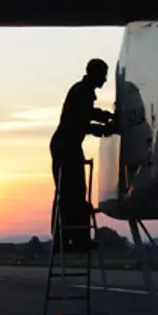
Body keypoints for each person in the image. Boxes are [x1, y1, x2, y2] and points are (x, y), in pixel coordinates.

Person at [50, 58, 117, 253]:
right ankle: (71, 239)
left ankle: (71, 239)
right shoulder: (81, 93)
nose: (105, 80)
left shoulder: (83, 93)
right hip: (65, 147)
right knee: (71, 193)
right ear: (94, 74)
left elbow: (89, 115)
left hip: (69, 146)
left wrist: (108, 117)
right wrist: (107, 128)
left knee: (72, 193)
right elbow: (84, 122)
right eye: (103, 75)